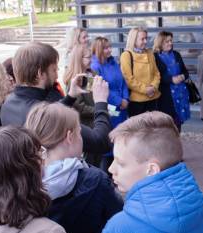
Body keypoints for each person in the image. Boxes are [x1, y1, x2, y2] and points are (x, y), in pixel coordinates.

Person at [25, 102, 124, 233]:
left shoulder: (21, 181)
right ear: (70, 137)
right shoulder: (95, 181)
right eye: (79, 132)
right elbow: (120, 224)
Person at [0, 42, 112, 155]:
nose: (57, 76)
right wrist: (101, 102)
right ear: (40, 74)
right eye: (54, 70)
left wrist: (70, 97)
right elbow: (100, 142)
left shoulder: (8, 103)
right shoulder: (43, 114)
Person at [91, 36, 130, 171]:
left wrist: (126, 98)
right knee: (109, 141)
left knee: (119, 138)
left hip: (122, 107)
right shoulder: (95, 66)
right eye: (105, 48)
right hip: (111, 108)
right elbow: (103, 86)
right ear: (98, 49)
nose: (109, 50)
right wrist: (119, 101)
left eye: (109, 47)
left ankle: (117, 171)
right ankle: (105, 173)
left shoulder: (113, 62)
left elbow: (123, 82)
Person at [153, 30, 190, 131]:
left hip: (180, 95)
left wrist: (182, 77)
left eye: (171, 41)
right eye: (167, 41)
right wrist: (171, 79)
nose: (170, 43)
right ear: (160, 42)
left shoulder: (176, 54)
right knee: (166, 126)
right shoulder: (154, 57)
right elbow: (155, 76)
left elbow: (186, 72)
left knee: (178, 125)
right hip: (165, 97)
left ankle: (175, 144)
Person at [120, 27, 161, 117]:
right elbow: (128, 79)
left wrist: (153, 87)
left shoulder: (150, 53)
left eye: (146, 38)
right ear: (133, 40)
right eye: (142, 39)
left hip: (153, 98)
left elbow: (156, 73)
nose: (145, 41)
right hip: (136, 102)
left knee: (153, 128)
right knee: (139, 130)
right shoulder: (126, 55)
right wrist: (145, 90)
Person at [64, 44, 96, 128]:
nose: (91, 60)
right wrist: (100, 109)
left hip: (95, 121)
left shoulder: (90, 74)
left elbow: (92, 96)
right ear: (79, 59)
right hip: (85, 125)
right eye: (88, 57)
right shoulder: (74, 80)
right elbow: (79, 107)